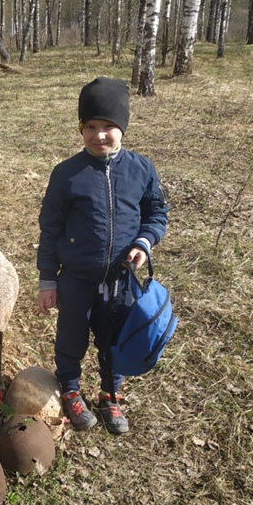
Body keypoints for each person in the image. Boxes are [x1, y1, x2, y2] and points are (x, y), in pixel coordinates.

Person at [37, 77, 169, 434]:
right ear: (81, 129)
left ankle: (111, 393)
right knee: (71, 336)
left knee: (115, 337)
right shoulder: (66, 175)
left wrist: (144, 242)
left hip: (121, 279)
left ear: (122, 127)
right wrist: (48, 280)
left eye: (108, 126)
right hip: (76, 278)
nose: (99, 135)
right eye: (90, 127)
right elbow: (50, 231)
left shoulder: (142, 170)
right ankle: (69, 387)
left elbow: (156, 213)